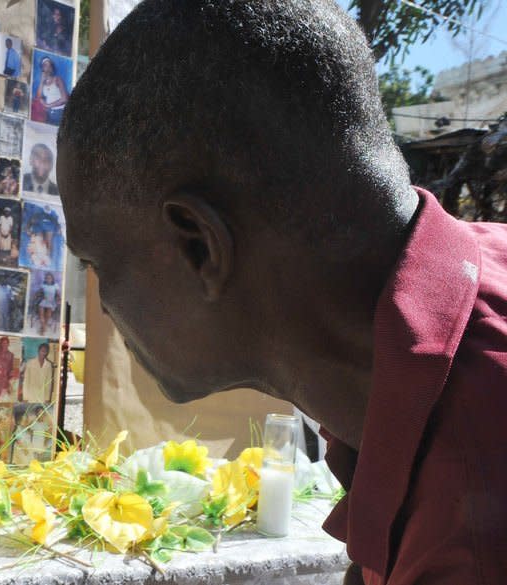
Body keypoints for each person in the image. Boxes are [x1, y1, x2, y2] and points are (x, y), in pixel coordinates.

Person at [56, 1, 507, 583]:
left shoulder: (469, 524)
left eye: (97, 263)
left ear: (198, 245)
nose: (106, 303)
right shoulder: (463, 287)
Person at [31, 56, 68, 126]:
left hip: (60, 113)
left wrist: (48, 105)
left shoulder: (58, 79)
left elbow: (64, 99)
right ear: (42, 69)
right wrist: (42, 81)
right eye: (45, 65)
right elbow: (38, 97)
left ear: (52, 68)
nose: (47, 68)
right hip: (49, 114)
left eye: (49, 65)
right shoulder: (43, 83)